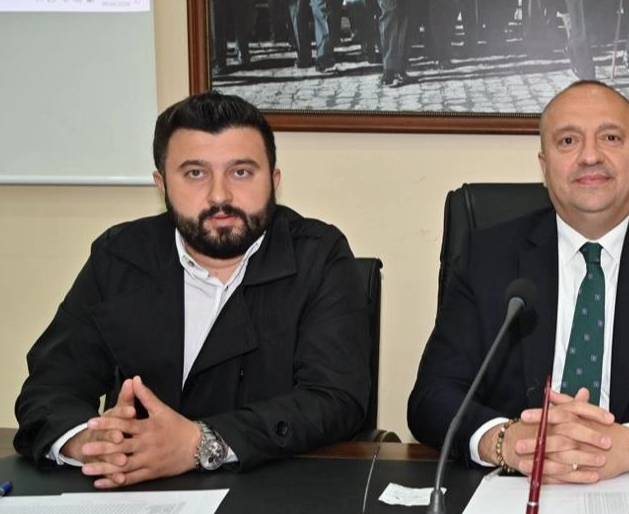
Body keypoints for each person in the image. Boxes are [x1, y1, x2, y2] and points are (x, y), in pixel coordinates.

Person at [13, 92, 371, 485]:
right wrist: (89, 441)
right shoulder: (119, 256)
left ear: (274, 180)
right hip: (135, 492)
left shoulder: (319, 256)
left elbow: (335, 399)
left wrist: (202, 443)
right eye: (195, 173)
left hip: (269, 491)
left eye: (241, 172)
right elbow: (51, 386)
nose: (220, 196)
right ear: (162, 184)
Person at [408, 81, 629, 481]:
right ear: (544, 166)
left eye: (610, 138)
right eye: (568, 140)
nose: (590, 156)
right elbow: (432, 397)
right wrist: (506, 441)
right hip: (515, 488)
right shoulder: (486, 257)